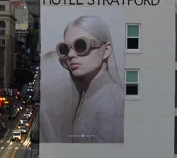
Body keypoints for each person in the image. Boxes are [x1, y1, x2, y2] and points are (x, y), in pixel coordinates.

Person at [38, 13, 125, 144]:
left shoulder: (111, 105)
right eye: (65, 49)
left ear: (106, 50)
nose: (71, 55)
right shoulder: (89, 94)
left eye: (81, 45)